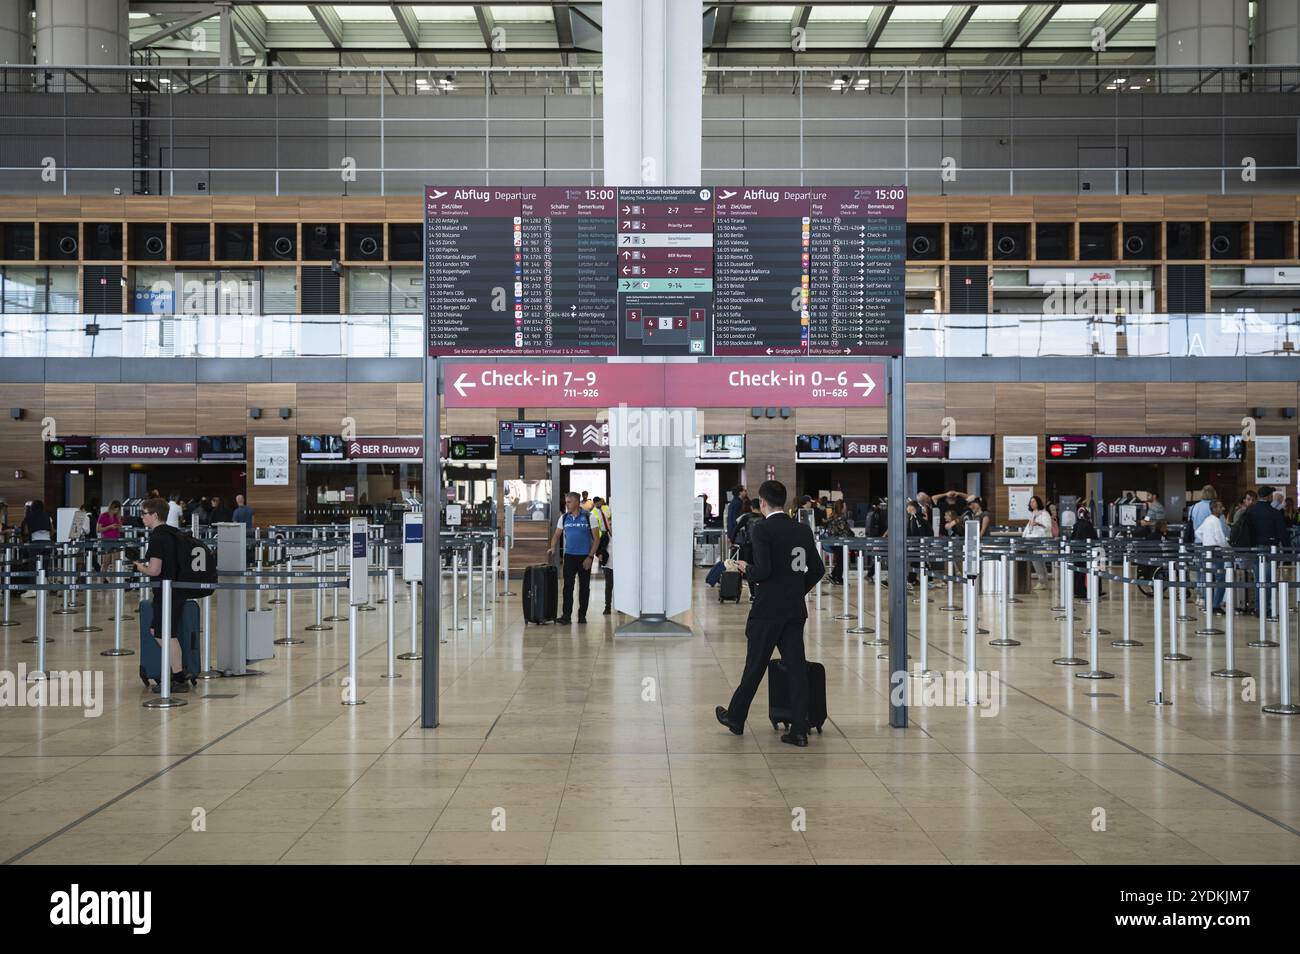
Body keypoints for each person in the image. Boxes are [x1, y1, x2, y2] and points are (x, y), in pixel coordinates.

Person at [716, 480, 823, 747]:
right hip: (794, 610)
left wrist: (744, 568)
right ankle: (799, 728)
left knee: (755, 666)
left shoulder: (762, 528)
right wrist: (798, 590)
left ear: (762, 503)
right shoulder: (802, 530)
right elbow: (818, 569)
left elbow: (762, 571)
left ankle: (736, 718)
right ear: (784, 501)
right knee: (797, 668)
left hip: (767, 610)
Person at [131, 498, 193, 693]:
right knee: (161, 631)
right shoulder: (175, 533)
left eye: (145, 513)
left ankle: (179, 677)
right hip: (177, 589)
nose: (142, 517)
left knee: (164, 633)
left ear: (155, 515)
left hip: (166, 591)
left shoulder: (158, 537)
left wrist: (142, 567)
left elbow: (155, 570)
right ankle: (179, 673)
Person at [547, 492, 599, 624]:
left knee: (584, 587)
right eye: (566, 502)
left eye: (569, 502)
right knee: (568, 587)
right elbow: (556, 535)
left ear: (577, 502)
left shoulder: (589, 517)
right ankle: (566, 616)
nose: (567, 504)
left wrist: (590, 557)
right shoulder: (564, 518)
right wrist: (553, 547)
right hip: (569, 557)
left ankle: (582, 616)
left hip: (585, 557)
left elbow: (597, 539)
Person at [1194, 498, 1229, 614]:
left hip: (1206, 550)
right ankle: (1216, 604)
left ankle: (1208, 603)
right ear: (1214, 508)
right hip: (1216, 551)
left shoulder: (1207, 519)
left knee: (1208, 577)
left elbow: (1198, 532)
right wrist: (1227, 547)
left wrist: (1206, 541)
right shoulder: (1216, 521)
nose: (1222, 509)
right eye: (1220, 507)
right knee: (1220, 578)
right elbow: (1220, 538)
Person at [1022, 495, 1052, 589]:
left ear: (1038, 502)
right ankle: (1044, 581)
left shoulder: (1044, 513)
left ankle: (1042, 581)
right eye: (1031, 502)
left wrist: (1038, 524)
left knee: (1039, 561)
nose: (1031, 503)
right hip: (1032, 541)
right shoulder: (1032, 514)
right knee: (1037, 562)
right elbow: (1028, 528)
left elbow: (1048, 527)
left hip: (1041, 541)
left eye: (1033, 501)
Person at [823, 499, 852, 584]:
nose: (846, 507)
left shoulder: (833, 516)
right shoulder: (841, 518)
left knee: (840, 560)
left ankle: (834, 576)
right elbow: (844, 531)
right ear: (842, 507)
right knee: (842, 560)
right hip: (839, 542)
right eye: (845, 505)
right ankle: (837, 578)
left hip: (833, 541)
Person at [724, 485, 746, 552]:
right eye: (744, 491)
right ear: (740, 492)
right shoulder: (738, 503)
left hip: (732, 531)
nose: (746, 492)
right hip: (735, 533)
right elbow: (735, 519)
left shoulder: (733, 502)